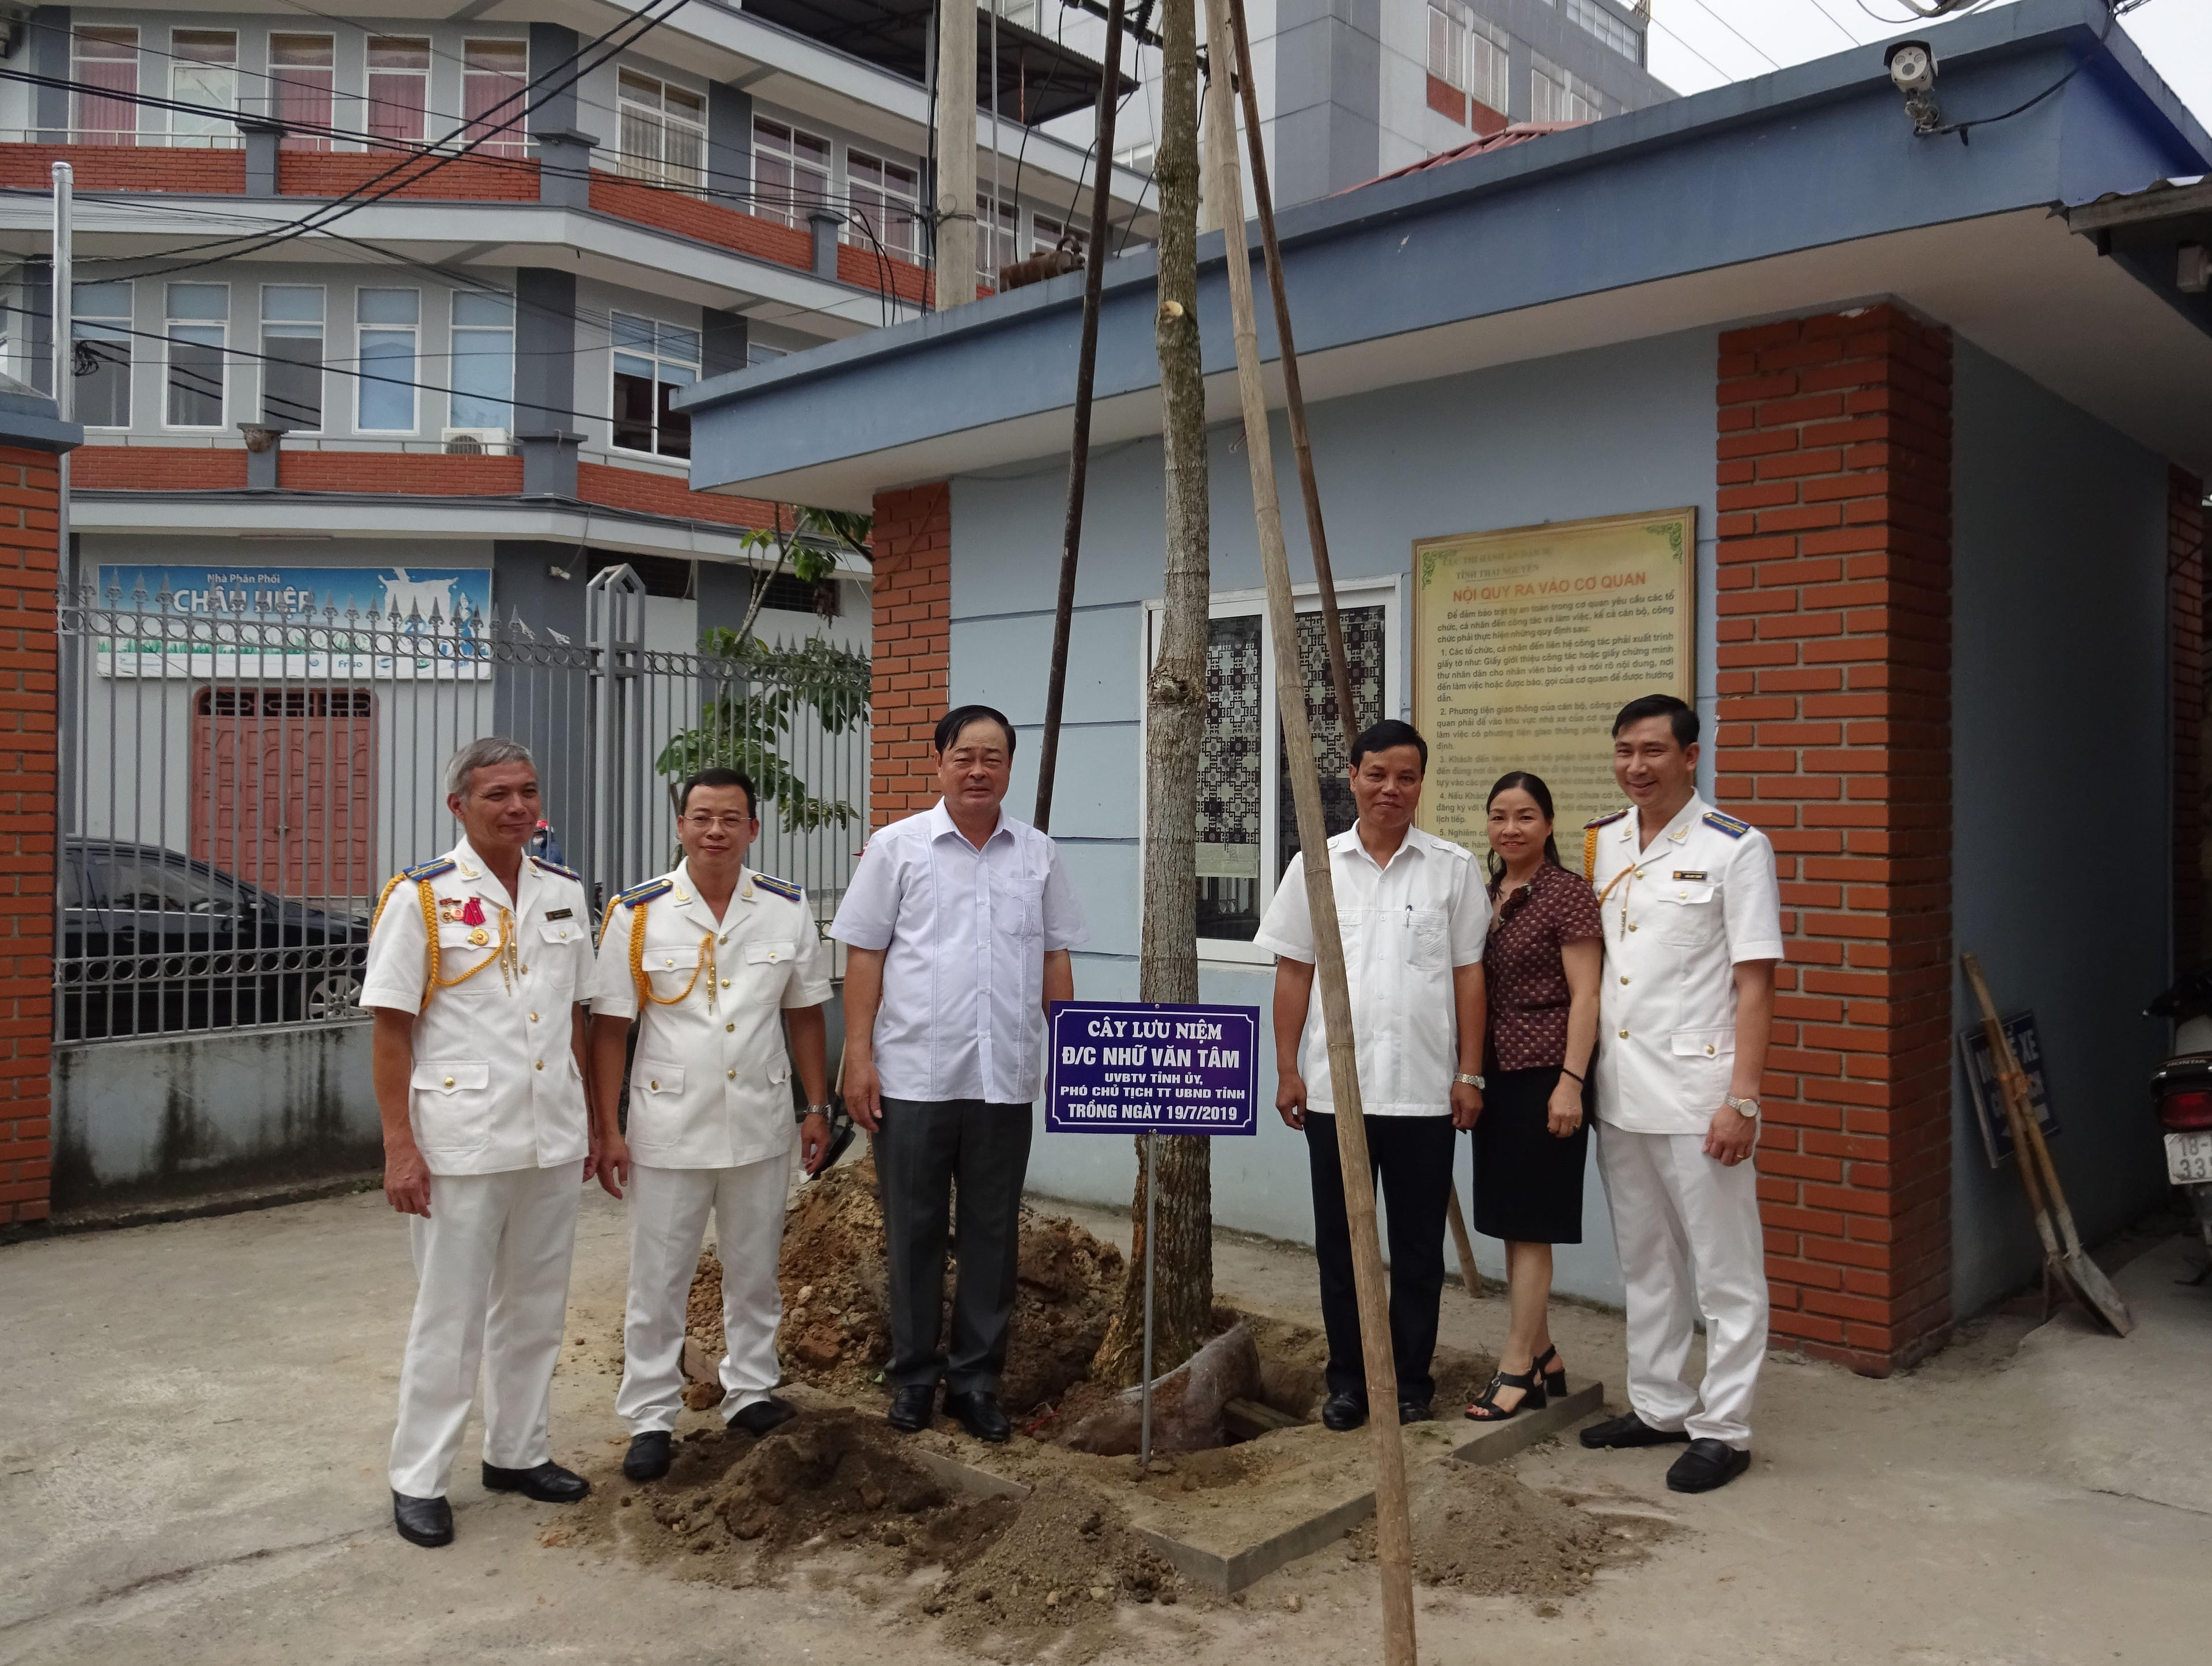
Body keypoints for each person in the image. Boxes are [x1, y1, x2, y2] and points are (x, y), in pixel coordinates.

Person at [362, 737, 599, 1548]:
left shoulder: (563, 892)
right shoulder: (421, 897)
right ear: (459, 805)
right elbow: (391, 1030)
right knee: (451, 1316)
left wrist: (593, 1122)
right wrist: (400, 1146)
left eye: (527, 791)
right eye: (498, 794)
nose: (517, 807)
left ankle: (518, 1452)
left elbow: (574, 1016)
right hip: (460, 1141)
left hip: (550, 1133)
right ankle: (419, 1478)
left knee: (535, 1308)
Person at [831, 705, 1089, 1443]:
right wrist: (858, 1056)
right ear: (939, 762)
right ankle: (914, 1376)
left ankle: (976, 1381)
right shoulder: (897, 849)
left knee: (991, 1233)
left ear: (1009, 768)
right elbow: (865, 955)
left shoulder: (1038, 855)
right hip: (913, 1075)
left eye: (992, 758)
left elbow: (1055, 956)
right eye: (964, 757)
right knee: (912, 1230)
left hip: (1004, 1075)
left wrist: (1069, 1051)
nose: (978, 771)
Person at [588, 767, 835, 1483]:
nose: (715, 831)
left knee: (754, 1271)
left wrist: (817, 1106)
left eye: (731, 818)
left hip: (760, 1118)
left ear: (753, 828)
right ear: (681, 826)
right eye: (702, 817)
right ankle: (650, 1416)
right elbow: (610, 1029)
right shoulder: (638, 914)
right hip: (669, 1124)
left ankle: (750, 1390)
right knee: (658, 1280)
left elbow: (804, 1013)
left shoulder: (785, 908)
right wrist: (607, 1128)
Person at [1256, 718, 1488, 1429]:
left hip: (1424, 1094)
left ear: (1421, 784)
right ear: (1353, 777)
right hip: (1336, 1095)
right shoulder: (1316, 866)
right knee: (1342, 1248)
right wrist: (1288, 1069)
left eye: (1406, 777)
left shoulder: (1453, 868)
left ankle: (1410, 1382)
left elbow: (1469, 977)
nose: (1392, 788)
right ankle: (1350, 1382)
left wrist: (1471, 1074)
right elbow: (1294, 973)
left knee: (1418, 1251)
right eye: (1377, 774)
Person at [1578, 694, 1782, 1494]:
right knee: (1647, 1261)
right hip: (1621, 1091)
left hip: (1702, 1095)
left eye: (1654, 751)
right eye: (1625, 750)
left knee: (1726, 1272)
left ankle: (1724, 1428)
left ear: (1691, 757)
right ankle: (1660, 1405)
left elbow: (1756, 983)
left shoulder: (1736, 848)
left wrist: (1744, 1100)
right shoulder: (1603, 841)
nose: (1637, 766)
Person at [1464, 771, 1603, 1422]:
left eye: (1524, 816)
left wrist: (1571, 1083)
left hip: (1547, 1075)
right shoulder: (1487, 892)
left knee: (1530, 1227)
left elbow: (1588, 994)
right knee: (1511, 1222)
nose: (1510, 828)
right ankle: (1545, 1354)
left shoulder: (1566, 894)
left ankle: (1517, 1366)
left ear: (1548, 824)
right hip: (1495, 1075)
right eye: (1499, 816)